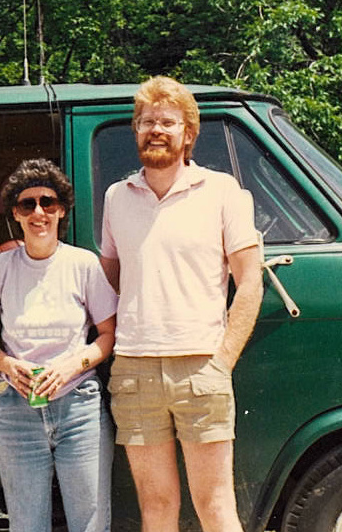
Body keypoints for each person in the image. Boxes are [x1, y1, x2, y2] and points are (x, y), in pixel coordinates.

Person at [99, 76, 263, 532]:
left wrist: (222, 361)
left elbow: (250, 282)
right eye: (146, 121)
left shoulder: (222, 191)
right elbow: (111, 274)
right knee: (156, 506)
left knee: (215, 506)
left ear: (188, 134)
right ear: (136, 131)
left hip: (202, 365)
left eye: (168, 122)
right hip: (134, 368)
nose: (156, 130)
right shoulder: (116, 197)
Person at [0, 158, 118, 532]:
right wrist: (8, 364)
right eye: (27, 204)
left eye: (48, 202)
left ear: (61, 210)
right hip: (18, 411)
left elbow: (108, 334)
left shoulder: (83, 264)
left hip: (79, 407)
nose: (39, 212)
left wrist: (71, 366)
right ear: (15, 214)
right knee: (27, 525)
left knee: (90, 524)